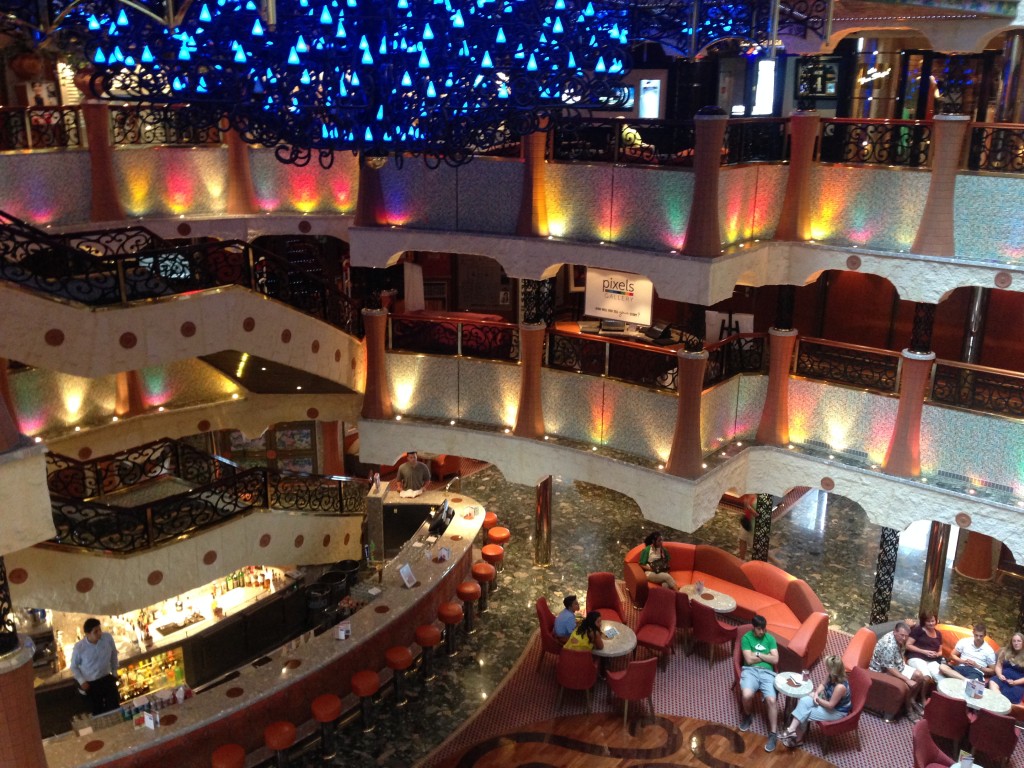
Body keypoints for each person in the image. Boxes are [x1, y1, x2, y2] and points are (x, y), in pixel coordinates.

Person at [779, 655, 852, 748]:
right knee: (804, 700)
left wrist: (816, 698)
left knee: (805, 713)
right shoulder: (831, 675)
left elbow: (830, 705)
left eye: (827, 667)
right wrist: (816, 693)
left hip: (837, 711)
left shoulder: (840, 687)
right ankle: (791, 730)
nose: (826, 669)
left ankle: (798, 739)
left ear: (833, 670)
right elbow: (822, 684)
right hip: (826, 700)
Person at [738, 614, 780, 752]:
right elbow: (748, 661)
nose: (762, 632)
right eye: (759, 629)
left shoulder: (770, 639)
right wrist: (766, 657)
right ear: (753, 628)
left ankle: (773, 734)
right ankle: (748, 715)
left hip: (768, 673)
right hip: (750, 671)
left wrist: (758, 655)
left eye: (763, 629)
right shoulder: (746, 638)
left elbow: (775, 660)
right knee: (747, 695)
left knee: (772, 700)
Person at [869, 621, 926, 721]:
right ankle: (909, 709)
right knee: (907, 685)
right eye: (901, 635)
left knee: (920, 677)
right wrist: (907, 680)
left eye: (906, 636)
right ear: (895, 632)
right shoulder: (889, 645)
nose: (904, 638)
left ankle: (912, 700)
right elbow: (889, 668)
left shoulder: (900, 639)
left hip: (897, 665)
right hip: (882, 671)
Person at [69, 618, 120, 715]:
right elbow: (73, 666)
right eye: (95, 632)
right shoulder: (80, 648)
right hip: (92, 684)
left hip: (107, 678)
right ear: (87, 634)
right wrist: (82, 681)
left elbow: (113, 654)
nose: (99, 633)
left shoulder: (107, 638)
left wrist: (114, 672)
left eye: (99, 630)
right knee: (97, 711)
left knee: (114, 706)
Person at [905, 611, 946, 683]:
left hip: (932, 661)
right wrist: (924, 652)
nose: (931, 623)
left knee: (942, 680)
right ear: (924, 622)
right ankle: (921, 694)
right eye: (928, 621)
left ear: (936, 621)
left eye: (932, 621)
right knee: (926, 677)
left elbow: (940, 651)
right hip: (917, 658)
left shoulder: (938, 634)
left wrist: (936, 654)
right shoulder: (918, 630)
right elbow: (908, 645)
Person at [989, 632, 1024, 704]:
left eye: (1019, 641)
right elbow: (998, 666)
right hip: (1002, 678)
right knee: (992, 682)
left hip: (1017, 683)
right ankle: (999, 704)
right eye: (1014, 641)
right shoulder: (1004, 651)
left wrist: (1015, 682)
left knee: (1010, 695)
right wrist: (999, 675)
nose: (1016, 643)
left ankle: (999, 706)